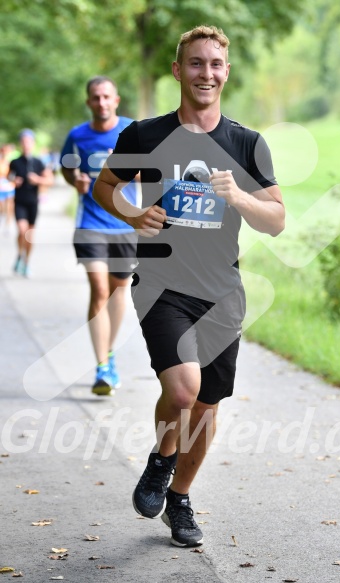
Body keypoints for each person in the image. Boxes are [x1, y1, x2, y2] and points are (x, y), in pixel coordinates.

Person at [94, 26, 285, 547]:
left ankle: (179, 498)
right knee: (183, 389)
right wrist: (135, 214)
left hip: (223, 291)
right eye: (195, 64)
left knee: (205, 406)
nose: (206, 73)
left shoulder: (246, 143)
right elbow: (105, 185)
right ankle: (160, 461)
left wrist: (240, 198)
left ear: (226, 71)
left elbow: (277, 219)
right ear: (178, 71)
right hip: (161, 283)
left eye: (215, 64)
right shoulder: (145, 135)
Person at [60, 76, 137, 397]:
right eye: (96, 97)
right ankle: (102, 366)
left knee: (119, 290)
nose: (102, 102)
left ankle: (109, 351)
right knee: (99, 288)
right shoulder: (77, 136)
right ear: (89, 102)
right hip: (90, 222)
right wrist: (74, 180)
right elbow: (66, 167)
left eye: (107, 97)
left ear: (116, 100)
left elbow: (153, 170)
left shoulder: (133, 132)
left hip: (125, 223)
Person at [9, 130, 54, 277]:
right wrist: (13, 181)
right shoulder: (15, 162)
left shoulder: (38, 162)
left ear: (33, 143)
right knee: (22, 231)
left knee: (29, 235)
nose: (26, 144)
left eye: (29, 141)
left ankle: (25, 262)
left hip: (33, 203)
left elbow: (49, 180)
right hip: (19, 202)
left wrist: (37, 180)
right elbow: (9, 178)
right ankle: (20, 255)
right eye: (23, 141)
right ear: (20, 143)